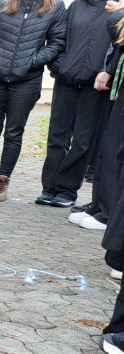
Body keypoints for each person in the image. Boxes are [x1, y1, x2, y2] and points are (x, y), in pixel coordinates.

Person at [0, 0, 66, 202]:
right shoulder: (5, 6)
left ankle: (2, 182)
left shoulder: (54, 7)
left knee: (13, 132)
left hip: (27, 79)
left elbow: (57, 42)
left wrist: (32, 62)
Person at [35, 0, 113, 208]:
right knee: (56, 136)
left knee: (82, 141)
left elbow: (116, 46)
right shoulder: (76, 6)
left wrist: (106, 71)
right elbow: (58, 37)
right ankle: (49, 188)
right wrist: (61, 67)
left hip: (95, 85)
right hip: (66, 80)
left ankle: (67, 190)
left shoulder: (116, 8)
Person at [69, 3, 124, 230]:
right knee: (106, 150)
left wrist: (121, 11)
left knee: (114, 153)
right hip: (117, 84)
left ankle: (108, 213)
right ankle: (100, 206)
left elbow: (114, 27)